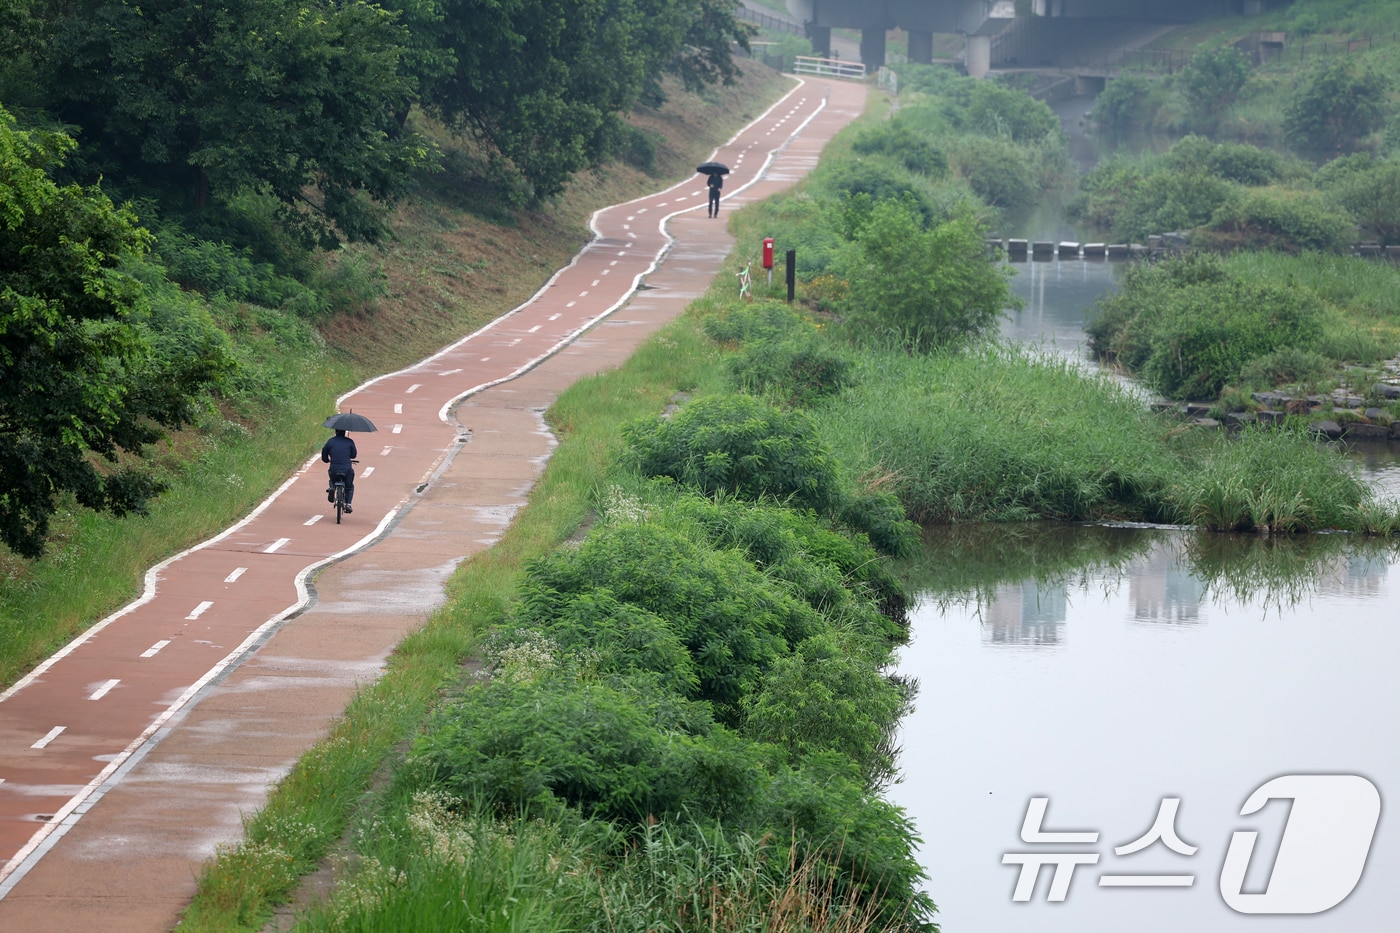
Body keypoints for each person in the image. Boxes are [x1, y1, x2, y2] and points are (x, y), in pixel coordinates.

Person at [322, 429, 357, 512]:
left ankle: (332, 487)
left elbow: (324, 455)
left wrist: (327, 460)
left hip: (334, 468)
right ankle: (348, 504)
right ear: (344, 432)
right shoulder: (350, 441)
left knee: (332, 480)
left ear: (335, 431)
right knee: (349, 486)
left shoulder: (330, 441)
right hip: (346, 469)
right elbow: (354, 455)